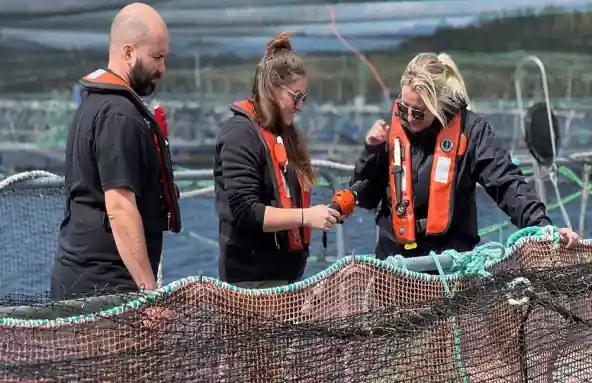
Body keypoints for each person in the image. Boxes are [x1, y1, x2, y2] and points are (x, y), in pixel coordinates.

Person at [351, 52, 579, 261]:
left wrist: (542, 229)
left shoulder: (472, 132)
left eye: (418, 113)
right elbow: (365, 198)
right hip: (394, 264)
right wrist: (370, 152)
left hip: (452, 264)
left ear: (437, 105)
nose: (409, 118)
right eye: (403, 108)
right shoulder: (389, 134)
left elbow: (507, 184)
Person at [50, 2, 180, 299]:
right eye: (156, 57)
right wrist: (149, 292)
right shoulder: (119, 115)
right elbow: (119, 207)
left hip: (80, 278)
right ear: (129, 52)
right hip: (105, 287)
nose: (162, 69)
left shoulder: (93, 104)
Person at [214, 31, 341, 288]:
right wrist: (306, 217)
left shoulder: (285, 135)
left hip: (287, 278)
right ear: (271, 88)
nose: (300, 106)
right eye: (296, 97)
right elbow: (247, 211)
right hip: (251, 281)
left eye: (303, 98)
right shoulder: (240, 134)